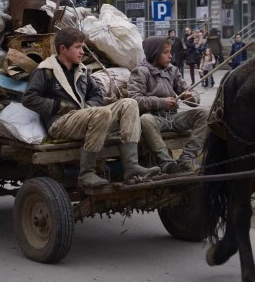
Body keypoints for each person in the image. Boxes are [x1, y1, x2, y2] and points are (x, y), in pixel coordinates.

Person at [22, 27, 158, 187]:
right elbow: (29, 98)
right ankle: (86, 173)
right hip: (60, 122)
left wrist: (89, 107)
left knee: (129, 103)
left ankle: (131, 167)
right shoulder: (46, 71)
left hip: (84, 116)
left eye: (82, 47)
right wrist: (58, 105)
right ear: (63, 49)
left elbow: (97, 95)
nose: (82, 52)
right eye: (77, 47)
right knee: (101, 113)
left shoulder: (82, 70)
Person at [127, 36, 209, 173]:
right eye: (165, 52)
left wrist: (191, 97)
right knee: (145, 119)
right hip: (154, 119)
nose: (170, 56)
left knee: (205, 113)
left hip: (173, 118)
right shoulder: (140, 71)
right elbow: (134, 100)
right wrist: (162, 102)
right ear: (154, 53)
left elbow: (190, 91)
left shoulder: (173, 70)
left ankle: (187, 159)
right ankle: (166, 162)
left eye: (170, 52)